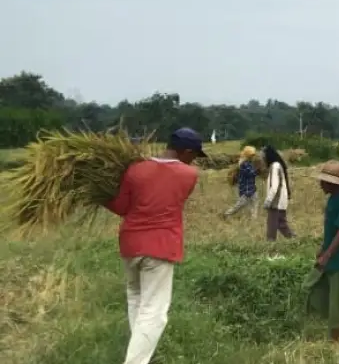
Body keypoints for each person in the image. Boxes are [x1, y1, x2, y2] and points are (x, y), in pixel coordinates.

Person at [104, 127, 203, 364]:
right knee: (155, 312)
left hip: (130, 243)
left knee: (136, 298)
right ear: (186, 151)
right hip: (161, 245)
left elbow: (122, 207)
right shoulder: (188, 174)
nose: (194, 160)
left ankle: (140, 354)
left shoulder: (135, 168)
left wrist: (100, 196)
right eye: (194, 155)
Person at [306, 161, 339, 342]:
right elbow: (331, 230)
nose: (320, 184)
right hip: (330, 255)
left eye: (323, 181)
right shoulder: (333, 199)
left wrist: (327, 255)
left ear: (332, 183)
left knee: (334, 302)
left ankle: (335, 339)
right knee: (316, 291)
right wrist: (323, 248)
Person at [262, 145, 295, 241]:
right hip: (280, 201)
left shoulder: (275, 166)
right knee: (282, 225)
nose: (262, 158)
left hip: (276, 202)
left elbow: (274, 186)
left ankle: (270, 244)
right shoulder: (277, 165)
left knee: (271, 227)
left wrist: (268, 201)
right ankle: (295, 240)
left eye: (263, 156)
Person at [223, 146, 258, 219]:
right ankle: (227, 214)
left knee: (255, 202)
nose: (253, 156)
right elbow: (251, 173)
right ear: (248, 155)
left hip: (251, 187)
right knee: (240, 204)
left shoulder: (249, 163)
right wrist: (258, 170)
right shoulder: (244, 164)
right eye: (252, 155)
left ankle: (253, 218)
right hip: (246, 189)